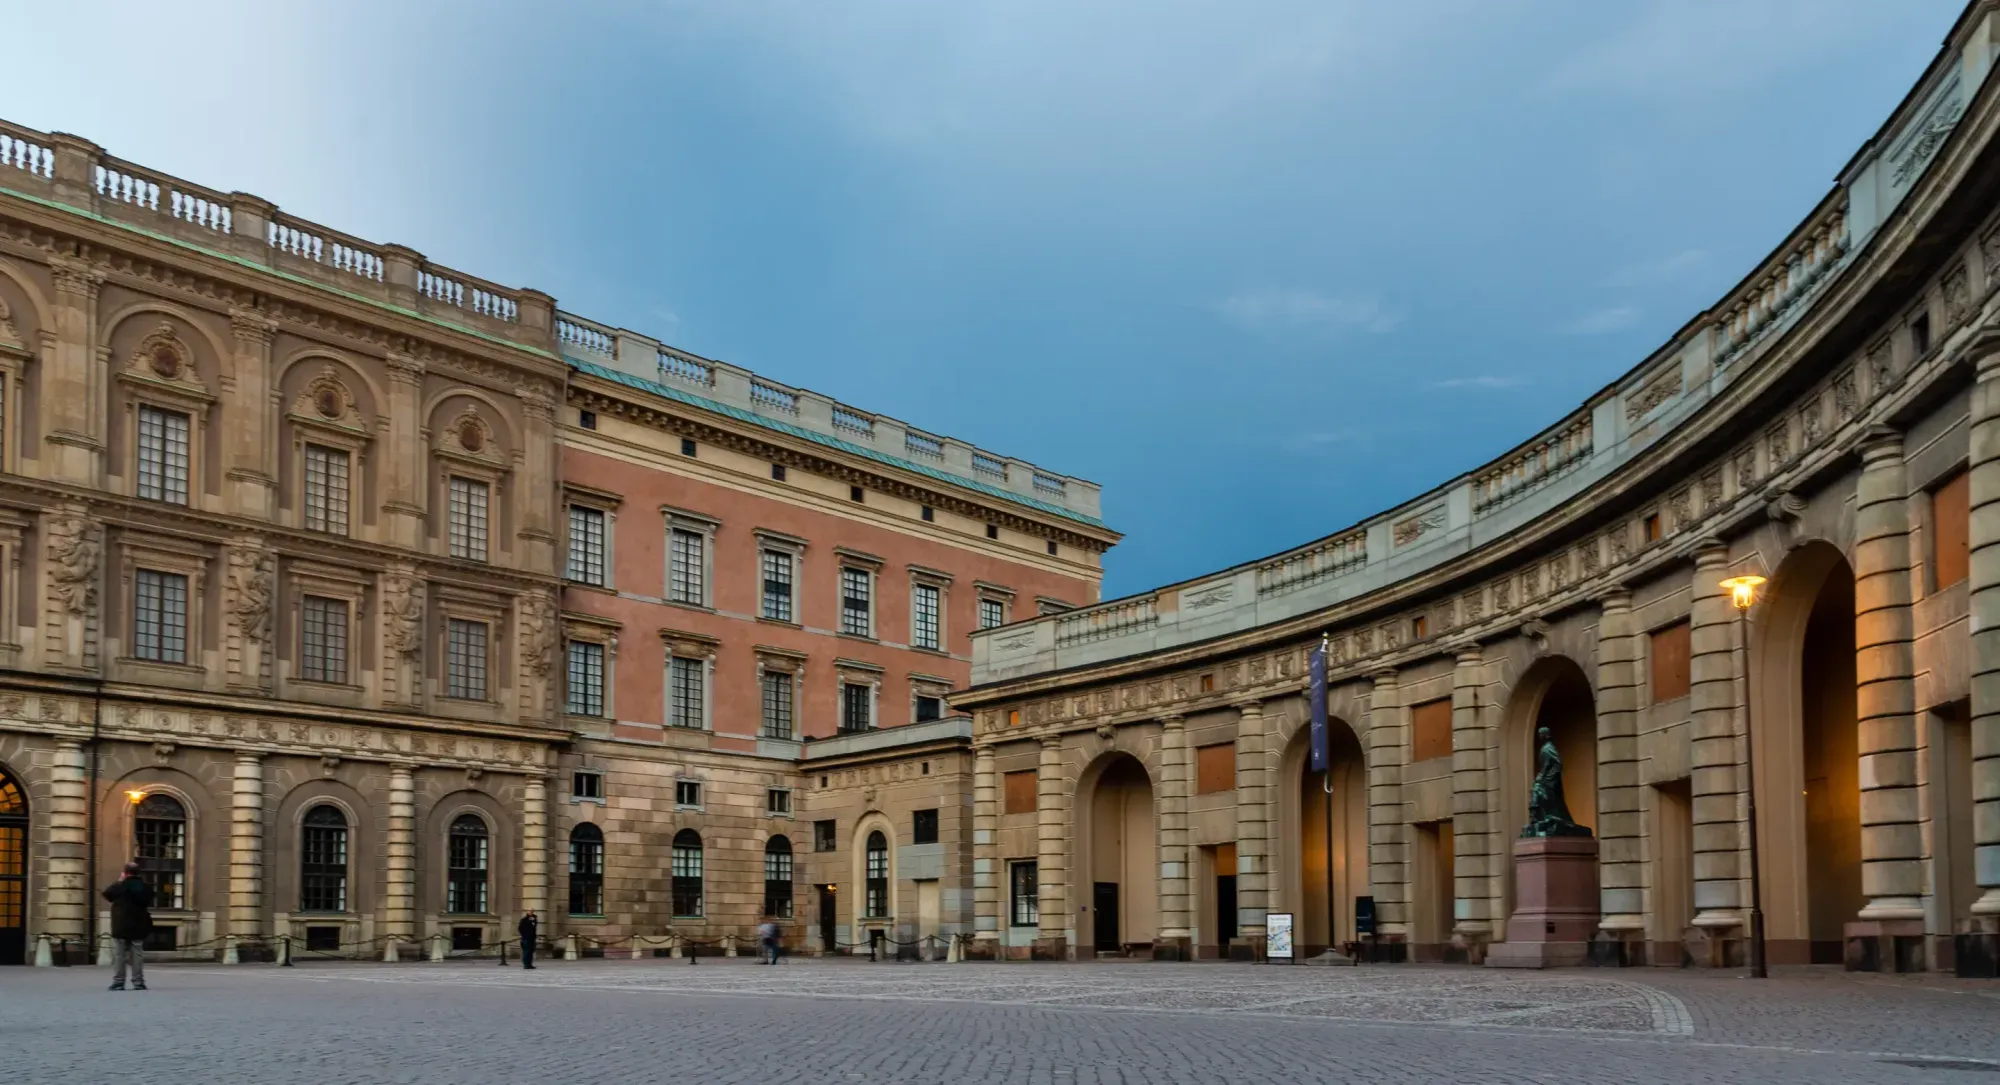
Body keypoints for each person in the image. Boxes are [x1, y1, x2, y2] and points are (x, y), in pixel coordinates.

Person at [102, 861, 151, 992]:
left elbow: (107, 894)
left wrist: (120, 880)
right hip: (139, 924)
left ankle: (119, 982)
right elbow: (149, 900)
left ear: (125, 872)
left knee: (120, 955)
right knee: (138, 954)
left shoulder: (120, 886)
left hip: (121, 924)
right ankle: (138, 982)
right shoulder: (145, 886)